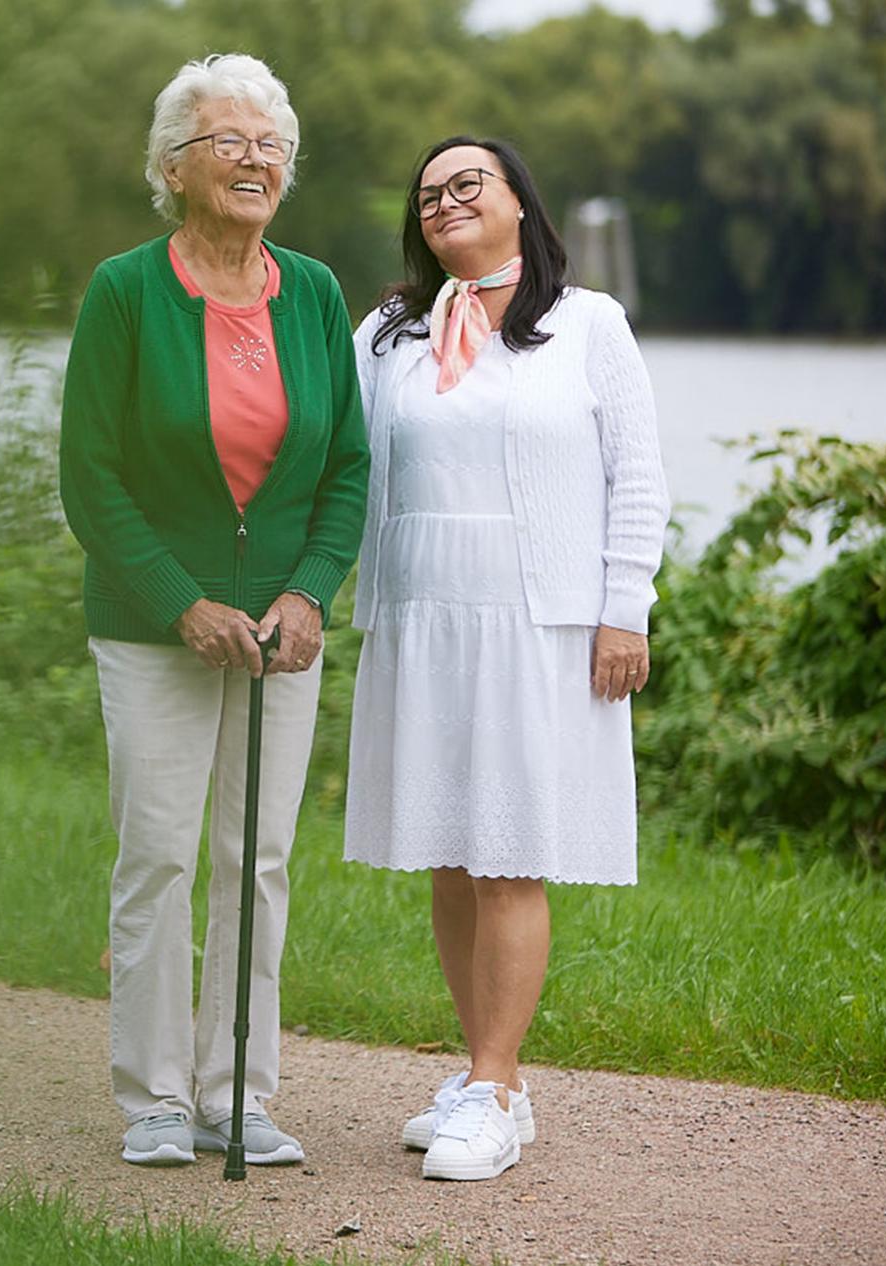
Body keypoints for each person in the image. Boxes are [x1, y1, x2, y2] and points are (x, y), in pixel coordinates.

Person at [58, 53, 369, 1169]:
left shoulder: (320, 294)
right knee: (157, 855)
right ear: (172, 167)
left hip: (283, 633)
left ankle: (239, 1093)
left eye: (271, 143)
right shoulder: (125, 291)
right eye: (229, 141)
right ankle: (153, 1098)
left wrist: (305, 592)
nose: (255, 158)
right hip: (154, 628)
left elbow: (346, 469)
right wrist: (183, 604)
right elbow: (90, 481)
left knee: (261, 856)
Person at [343, 136, 668, 1181]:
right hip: (424, 613)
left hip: (539, 620)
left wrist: (627, 608)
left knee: (510, 854)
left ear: (520, 201)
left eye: (466, 184)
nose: (444, 203)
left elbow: (639, 473)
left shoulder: (587, 326)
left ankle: (489, 1084)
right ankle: (496, 1083)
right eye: (428, 194)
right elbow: (338, 458)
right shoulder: (392, 332)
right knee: (450, 851)